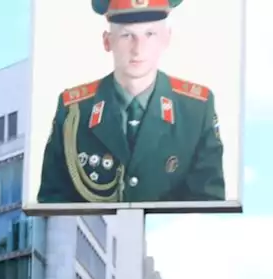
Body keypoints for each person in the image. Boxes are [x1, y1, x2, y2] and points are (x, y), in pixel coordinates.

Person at [36, 0, 224, 205]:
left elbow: (208, 206)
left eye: (149, 34)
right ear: (107, 41)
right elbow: (52, 204)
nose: (138, 49)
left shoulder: (195, 110)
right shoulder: (74, 111)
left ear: (166, 39)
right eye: (127, 35)